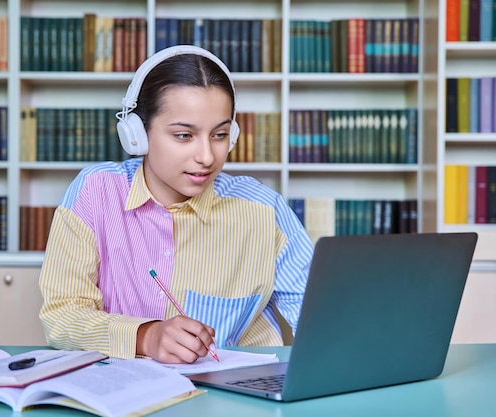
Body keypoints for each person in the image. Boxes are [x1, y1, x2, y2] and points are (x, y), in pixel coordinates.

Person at [38, 45, 314, 364]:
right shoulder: (96, 192)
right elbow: (61, 317)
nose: (207, 157)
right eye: (184, 135)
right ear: (137, 135)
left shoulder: (264, 210)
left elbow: (321, 321)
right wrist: (146, 335)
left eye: (220, 135)